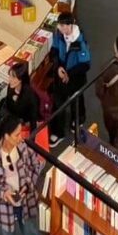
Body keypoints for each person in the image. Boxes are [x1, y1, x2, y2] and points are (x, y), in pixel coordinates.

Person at [48, 12, 91, 145]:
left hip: (75, 78)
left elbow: (85, 65)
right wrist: (58, 67)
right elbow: (54, 51)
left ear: (69, 26)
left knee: (76, 101)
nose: (59, 28)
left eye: (61, 25)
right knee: (58, 103)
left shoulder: (80, 42)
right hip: (60, 75)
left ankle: (78, 119)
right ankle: (58, 132)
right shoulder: (59, 34)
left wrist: (69, 74)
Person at [0, 61, 40, 136]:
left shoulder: (30, 96)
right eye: (9, 76)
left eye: (13, 77)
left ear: (21, 79)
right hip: (12, 122)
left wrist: (31, 142)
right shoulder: (10, 87)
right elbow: (8, 106)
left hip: (24, 124)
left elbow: (33, 122)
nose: (10, 80)